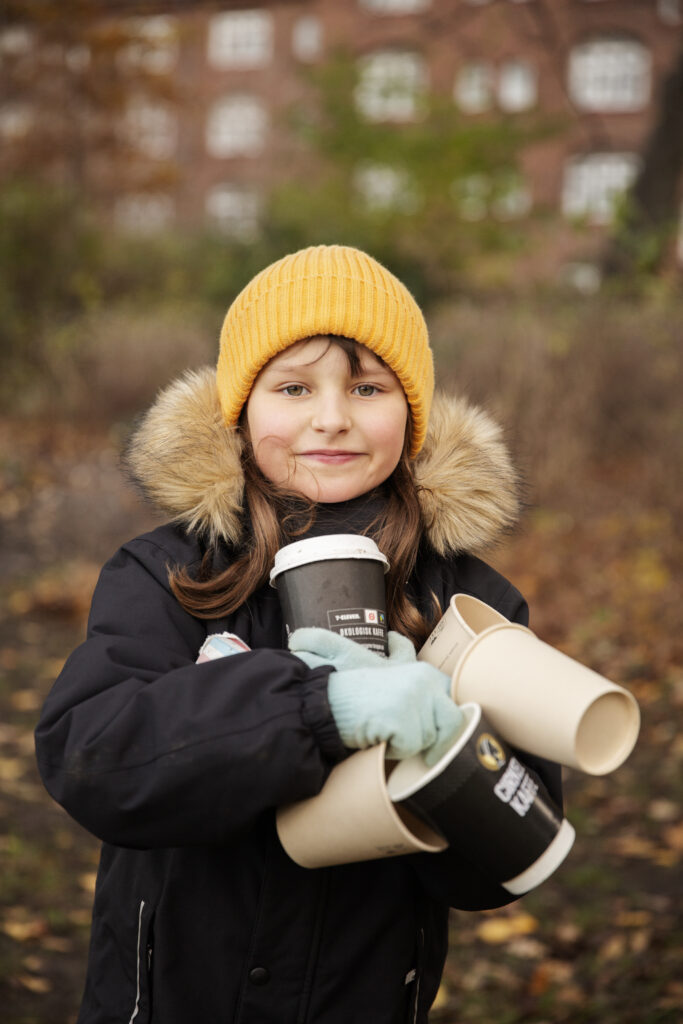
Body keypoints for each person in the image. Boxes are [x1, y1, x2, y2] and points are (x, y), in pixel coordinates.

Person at [35, 245, 561, 1024]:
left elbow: (505, 868)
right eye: (291, 386)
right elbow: (94, 759)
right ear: (240, 412)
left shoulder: (468, 601)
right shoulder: (169, 575)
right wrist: (319, 709)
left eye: (366, 387)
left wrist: (452, 757)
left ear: (411, 415)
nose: (331, 418)